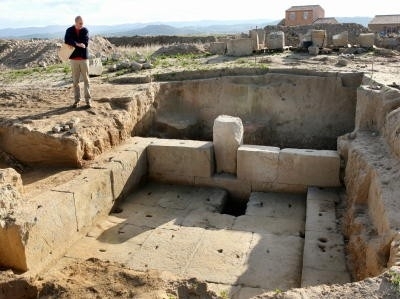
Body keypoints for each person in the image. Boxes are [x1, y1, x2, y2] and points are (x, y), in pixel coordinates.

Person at [64, 16, 92, 108]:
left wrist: (75, 43)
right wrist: (77, 44)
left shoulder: (85, 30)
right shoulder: (69, 30)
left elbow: (85, 42)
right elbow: (67, 40)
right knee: (75, 81)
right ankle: (77, 101)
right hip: (73, 59)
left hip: (84, 59)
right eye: (80, 23)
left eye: (82, 23)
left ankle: (88, 101)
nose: (82, 25)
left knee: (86, 80)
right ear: (75, 22)